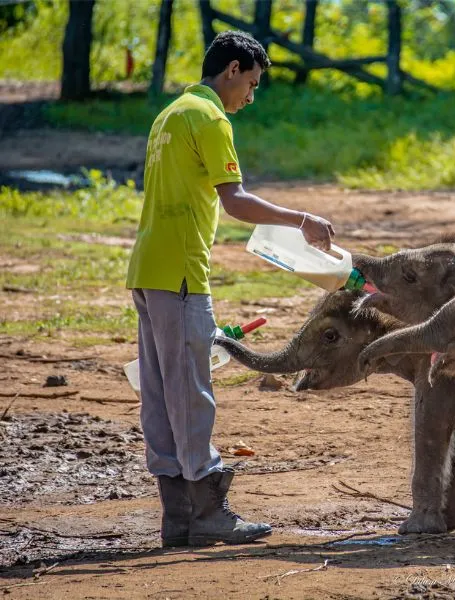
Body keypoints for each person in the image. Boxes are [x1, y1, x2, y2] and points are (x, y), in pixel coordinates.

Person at [125, 30, 334, 547]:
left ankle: (178, 517)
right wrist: (301, 218)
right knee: (191, 391)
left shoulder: (170, 114)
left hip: (147, 270)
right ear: (233, 69)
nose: (250, 96)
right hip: (179, 275)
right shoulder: (210, 116)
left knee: (159, 392)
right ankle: (208, 512)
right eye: (252, 84)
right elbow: (235, 200)